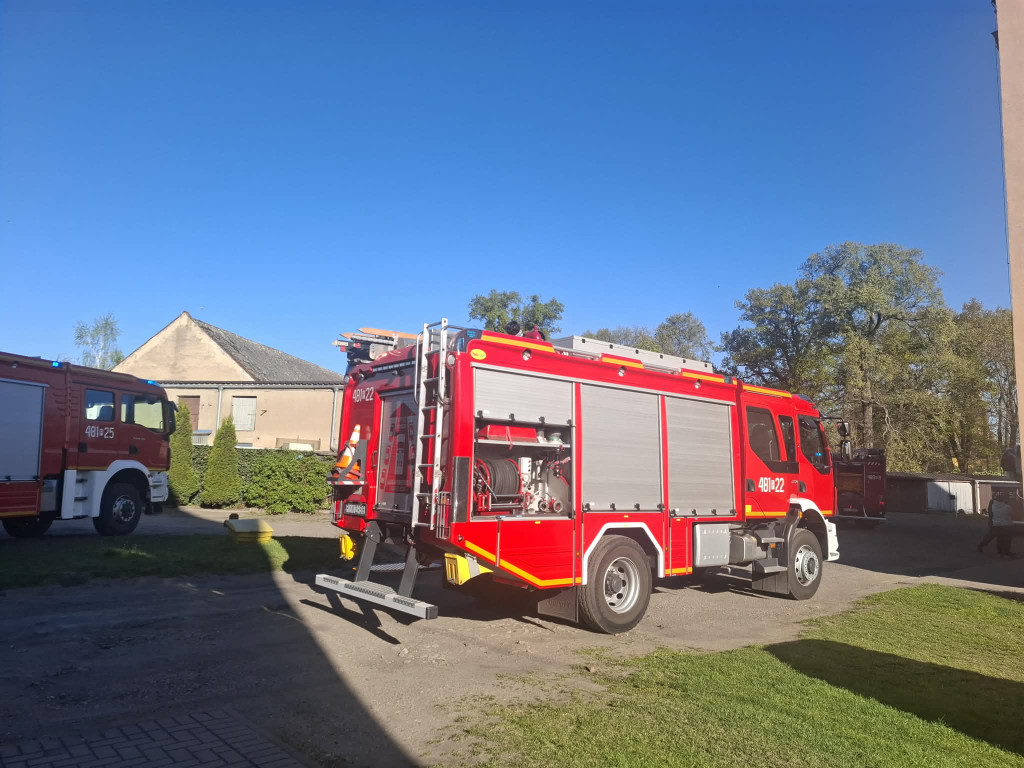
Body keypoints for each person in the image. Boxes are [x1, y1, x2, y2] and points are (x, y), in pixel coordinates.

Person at [979, 490, 1017, 559]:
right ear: (1004, 500)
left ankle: (999, 553)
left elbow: (991, 514)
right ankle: (1006, 554)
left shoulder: (993, 506)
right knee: (1006, 540)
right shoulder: (1007, 507)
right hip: (1006, 525)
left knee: (998, 539)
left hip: (996, 524)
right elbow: (1012, 514)